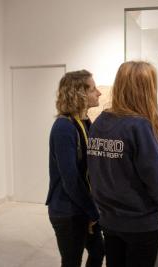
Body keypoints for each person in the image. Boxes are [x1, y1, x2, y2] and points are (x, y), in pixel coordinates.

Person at [87, 61, 158, 267]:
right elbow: (156, 180)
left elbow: (95, 172)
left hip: (109, 219)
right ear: (146, 89)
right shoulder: (139, 126)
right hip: (140, 222)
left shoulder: (100, 123)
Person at [46, 70, 104, 267]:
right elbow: (70, 179)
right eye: (93, 88)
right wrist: (92, 212)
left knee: (98, 251)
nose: (99, 93)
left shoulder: (85, 122)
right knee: (72, 261)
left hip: (84, 205)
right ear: (78, 93)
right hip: (68, 210)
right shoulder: (63, 127)